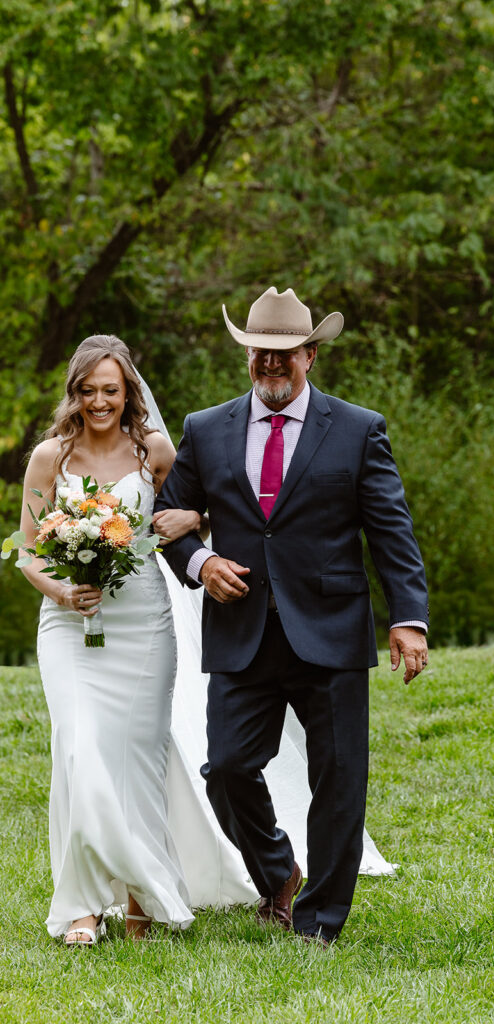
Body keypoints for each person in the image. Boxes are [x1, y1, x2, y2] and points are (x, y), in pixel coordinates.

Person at [155, 286, 429, 946]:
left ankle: (319, 922)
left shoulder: (359, 428)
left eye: (285, 355)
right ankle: (277, 872)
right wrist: (200, 565)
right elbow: (167, 519)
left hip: (330, 629)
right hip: (241, 634)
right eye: (260, 354)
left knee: (337, 778)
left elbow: (390, 532)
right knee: (225, 767)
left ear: (310, 355)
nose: (271, 366)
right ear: (246, 355)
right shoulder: (205, 429)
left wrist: (408, 618)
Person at [17, 335, 202, 944]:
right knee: (79, 750)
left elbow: (198, 509)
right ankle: (80, 907)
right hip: (68, 626)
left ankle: (141, 899)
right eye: (89, 391)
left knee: (137, 760)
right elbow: (27, 554)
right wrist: (64, 593)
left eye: (111, 391)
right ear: (75, 393)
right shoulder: (50, 458)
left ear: (129, 394)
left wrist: (195, 518)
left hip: (143, 623)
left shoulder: (155, 453)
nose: (100, 402)